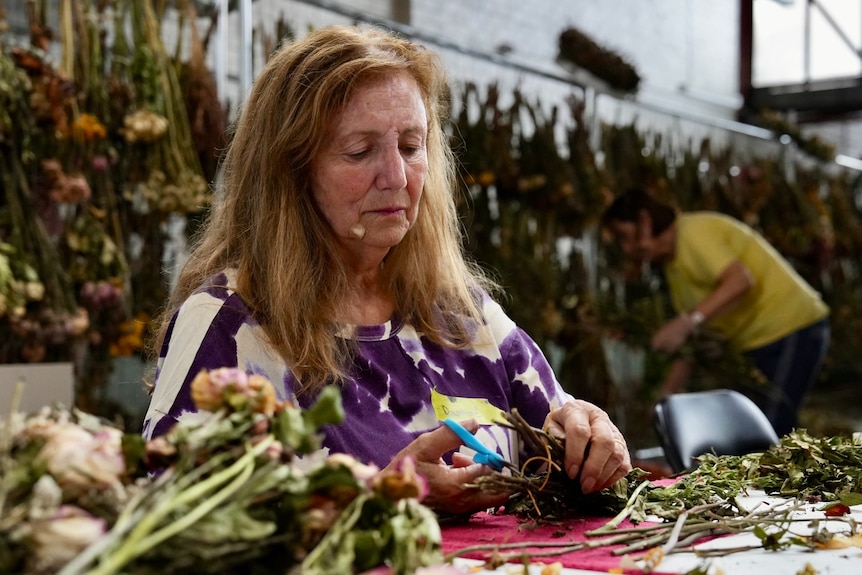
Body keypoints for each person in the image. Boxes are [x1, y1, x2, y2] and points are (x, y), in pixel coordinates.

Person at [142, 25, 630, 515]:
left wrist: (588, 438)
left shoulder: (464, 316)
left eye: (412, 147)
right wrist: (381, 499)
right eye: (360, 151)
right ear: (290, 171)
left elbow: (561, 444)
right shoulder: (228, 325)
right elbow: (170, 518)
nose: (396, 176)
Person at [601, 188, 830, 437]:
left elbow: (741, 280)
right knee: (748, 427)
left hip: (791, 327)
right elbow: (690, 343)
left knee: (770, 426)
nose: (625, 249)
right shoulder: (673, 267)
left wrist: (687, 321)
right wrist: (664, 397)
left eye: (624, 237)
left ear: (644, 223)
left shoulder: (693, 232)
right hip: (757, 341)